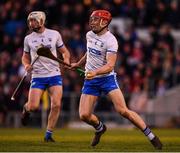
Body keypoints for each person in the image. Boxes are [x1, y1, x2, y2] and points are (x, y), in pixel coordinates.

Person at [71, 10, 163, 150]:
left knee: (123, 110)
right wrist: (78, 64)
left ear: (105, 22)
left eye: (96, 20)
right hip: (91, 80)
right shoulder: (89, 35)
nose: (92, 22)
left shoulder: (111, 40)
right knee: (84, 115)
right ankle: (100, 128)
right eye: (92, 19)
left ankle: (151, 136)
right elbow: (89, 51)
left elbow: (110, 65)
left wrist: (94, 72)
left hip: (106, 79)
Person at [21, 11, 70, 142]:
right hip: (38, 76)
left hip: (54, 74)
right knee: (33, 107)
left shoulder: (54, 34)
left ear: (42, 21)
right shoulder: (28, 39)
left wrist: (67, 61)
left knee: (56, 105)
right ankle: (26, 109)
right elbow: (25, 57)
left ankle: (48, 135)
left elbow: (64, 52)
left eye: (34, 20)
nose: (31, 23)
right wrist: (26, 65)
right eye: (30, 21)